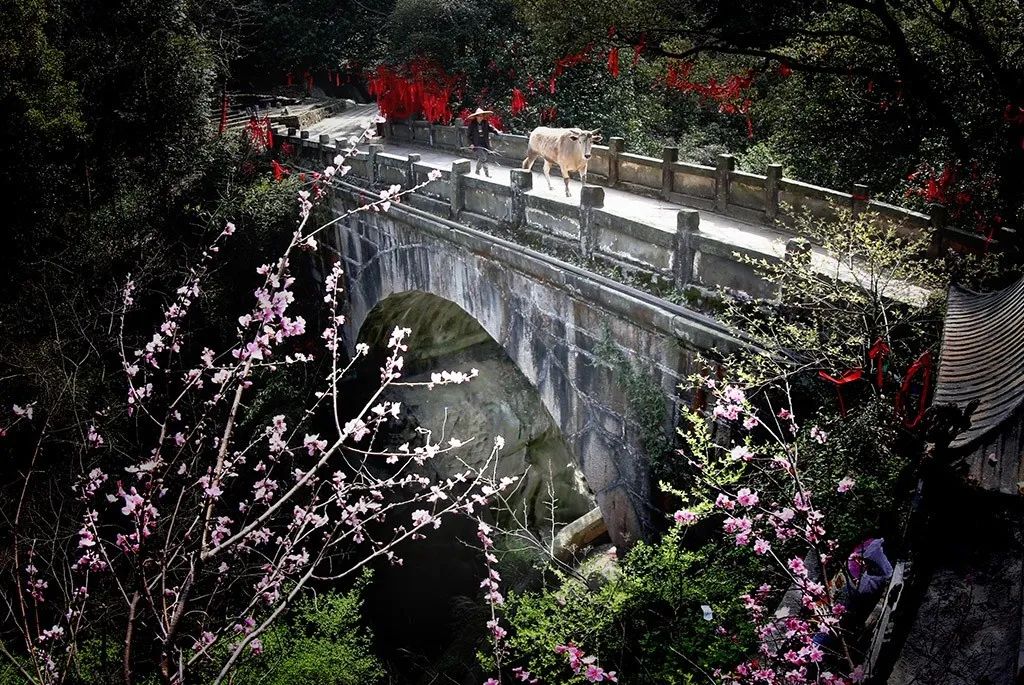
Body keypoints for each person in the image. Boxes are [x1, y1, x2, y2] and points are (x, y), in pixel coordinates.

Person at [467, 107, 499, 177]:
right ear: (476, 116)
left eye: (482, 115)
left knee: (483, 158)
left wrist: (497, 132)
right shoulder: (472, 124)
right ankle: (484, 173)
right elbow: (469, 135)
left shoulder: (485, 123)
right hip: (477, 144)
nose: (481, 117)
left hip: (484, 143)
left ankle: (479, 171)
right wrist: (471, 144)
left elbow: (491, 128)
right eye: (479, 116)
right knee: (483, 158)